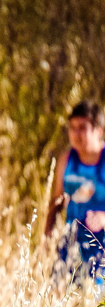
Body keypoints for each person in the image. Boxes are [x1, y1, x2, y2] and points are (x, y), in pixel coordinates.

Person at [45, 101, 105, 291]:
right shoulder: (66, 161)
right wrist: (47, 234)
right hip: (71, 242)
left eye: (82, 128)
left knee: (95, 306)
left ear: (99, 131)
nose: (76, 134)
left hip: (101, 246)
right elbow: (56, 201)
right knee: (59, 296)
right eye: (72, 128)